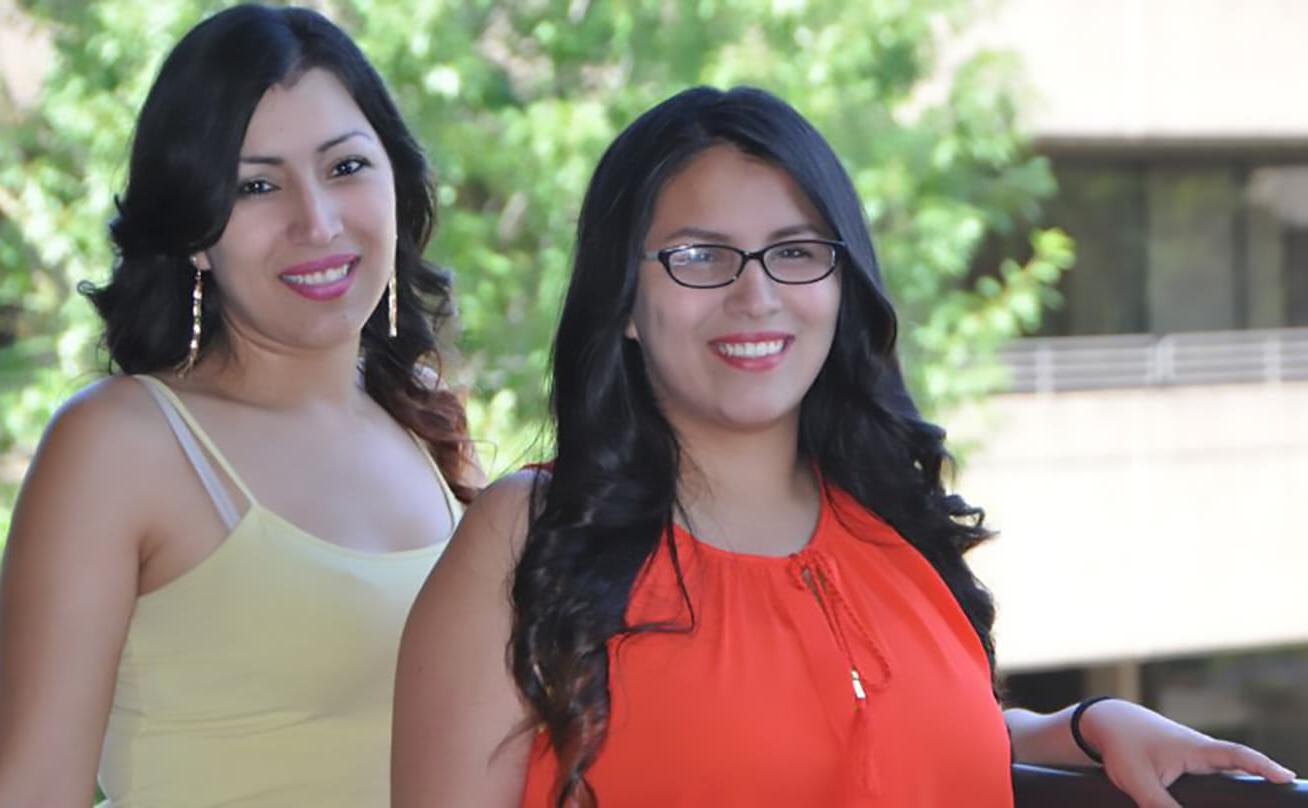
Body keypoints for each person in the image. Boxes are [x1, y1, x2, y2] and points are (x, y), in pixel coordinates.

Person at [392, 86, 1295, 808]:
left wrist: (1087, 725)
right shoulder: (528, 539)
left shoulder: (892, 527)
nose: (757, 297)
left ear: (842, 281)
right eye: (700, 256)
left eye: (795, 252)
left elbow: (891, 744)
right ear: (624, 302)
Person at [0, 6, 477, 807]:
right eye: (257, 185)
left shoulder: (423, 428)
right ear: (194, 231)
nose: (316, 221)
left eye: (346, 167)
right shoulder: (122, 444)